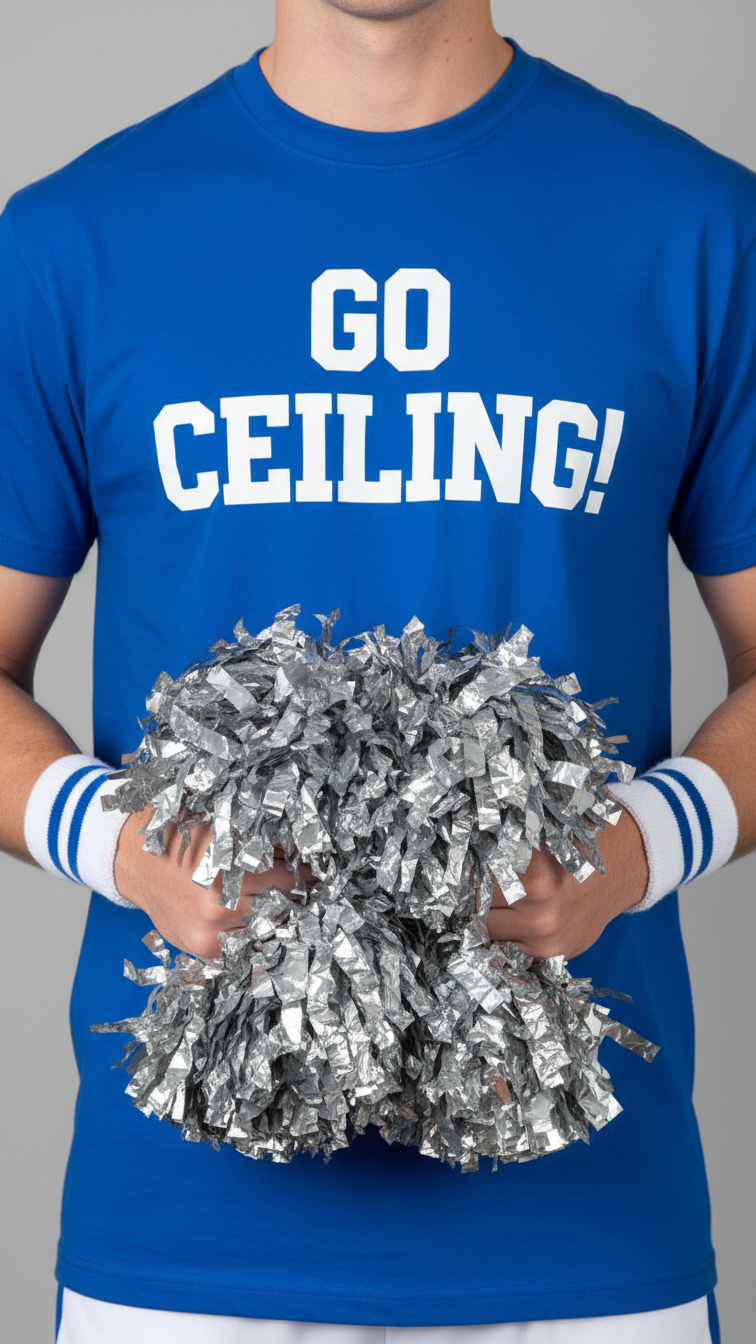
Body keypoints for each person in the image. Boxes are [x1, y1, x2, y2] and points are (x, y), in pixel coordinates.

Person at [0, 0, 754, 1339]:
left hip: (585, 1220)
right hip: (185, 1238)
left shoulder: (696, 225)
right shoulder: (72, 243)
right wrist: (133, 852)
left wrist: (629, 853)